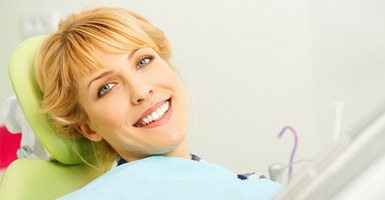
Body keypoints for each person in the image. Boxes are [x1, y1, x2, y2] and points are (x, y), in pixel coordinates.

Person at [35, 7, 276, 196]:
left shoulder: (245, 185)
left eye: (143, 61)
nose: (140, 91)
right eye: (106, 88)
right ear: (88, 128)